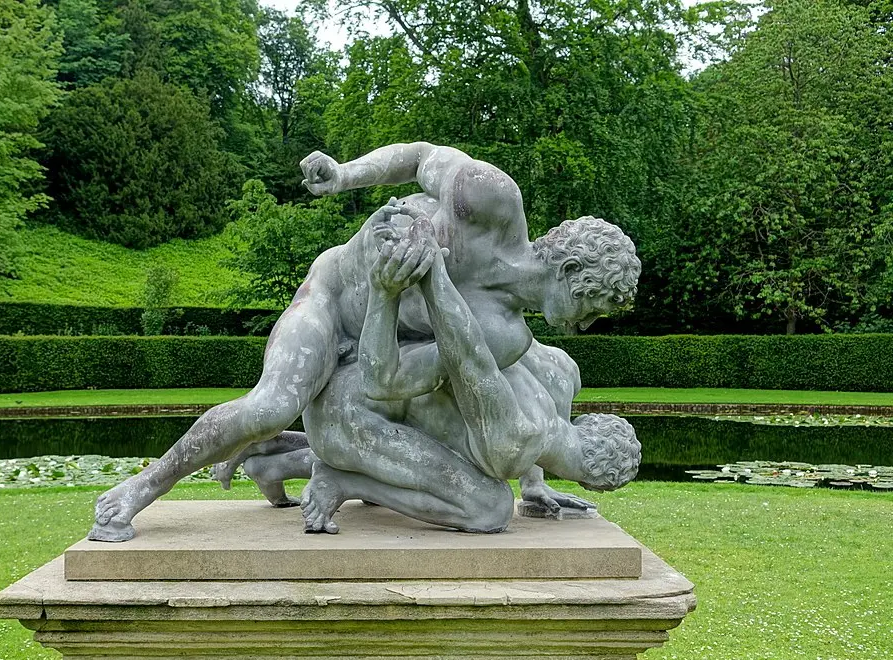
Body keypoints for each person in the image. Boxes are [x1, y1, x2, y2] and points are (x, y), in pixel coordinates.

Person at [90, 142, 640, 541]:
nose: (587, 324)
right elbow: (422, 155)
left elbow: (398, 382)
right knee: (272, 405)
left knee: (442, 415)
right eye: (594, 308)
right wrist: (345, 176)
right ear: (571, 270)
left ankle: (299, 462)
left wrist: (534, 481)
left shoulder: (507, 335)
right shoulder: (492, 200)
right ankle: (141, 490)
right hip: (332, 299)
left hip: (379, 336)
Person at [228, 211, 641, 533]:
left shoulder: (563, 374)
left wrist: (534, 487)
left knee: (457, 458)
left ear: (590, 424)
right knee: (488, 507)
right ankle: (342, 481)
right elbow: (470, 356)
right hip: (358, 407)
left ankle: (274, 461)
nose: (587, 323)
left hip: (354, 400)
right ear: (591, 480)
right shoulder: (518, 441)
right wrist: (434, 275)